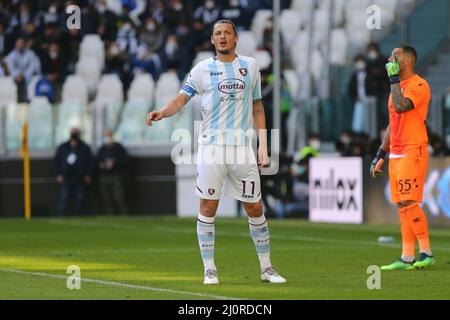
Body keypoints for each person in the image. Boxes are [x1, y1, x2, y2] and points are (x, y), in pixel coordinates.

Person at [146, 19, 286, 285]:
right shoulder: (201, 70)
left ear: (235, 39)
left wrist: (263, 145)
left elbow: (257, 107)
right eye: (218, 34)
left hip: (242, 149)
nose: (222, 37)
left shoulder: (250, 66)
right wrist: (162, 112)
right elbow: (181, 98)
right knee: (209, 206)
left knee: (255, 206)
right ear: (212, 40)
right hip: (211, 148)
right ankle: (210, 269)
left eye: (227, 33)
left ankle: (267, 268)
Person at [370, 45, 435, 270]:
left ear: (407, 60)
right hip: (396, 151)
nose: (390, 58)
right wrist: (381, 152)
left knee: (409, 200)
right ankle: (407, 256)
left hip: (412, 149)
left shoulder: (419, 85)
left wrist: (393, 78)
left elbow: (400, 107)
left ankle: (426, 252)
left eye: (394, 55)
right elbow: (392, 123)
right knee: (401, 204)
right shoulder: (396, 87)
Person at [54, 128, 94, 216]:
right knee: (64, 197)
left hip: (80, 177)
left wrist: (88, 174)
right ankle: (61, 214)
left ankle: (78, 215)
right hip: (66, 177)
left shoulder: (84, 147)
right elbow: (57, 161)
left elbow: (90, 162)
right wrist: (59, 174)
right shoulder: (63, 147)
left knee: (80, 197)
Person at [96, 129, 129, 215]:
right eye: (105, 136)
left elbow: (125, 160)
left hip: (116, 175)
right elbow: (97, 162)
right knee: (106, 197)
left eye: (108, 135)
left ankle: (123, 214)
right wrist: (101, 165)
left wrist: (115, 162)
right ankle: (110, 215)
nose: (107, 138)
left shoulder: (119, 148)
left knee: (119, 197)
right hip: (104, 176)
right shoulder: (101, 149)